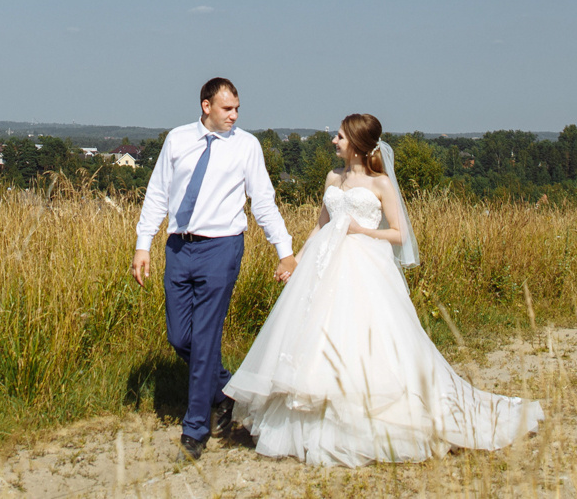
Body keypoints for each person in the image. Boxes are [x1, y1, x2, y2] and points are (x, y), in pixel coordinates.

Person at [223, 113, 543, 467]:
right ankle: (310, 419)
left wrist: (362, 231)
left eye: (340, 136)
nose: (334, 141)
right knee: (315, 335)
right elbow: (320, 225)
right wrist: (295, 261)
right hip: (322, 265)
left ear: (357, 143)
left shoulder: (381, 184)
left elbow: (399, 233)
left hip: (364, 265)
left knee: (367, 338)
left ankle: (372, 415)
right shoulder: (332, 177)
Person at [133, 77, 298, 461]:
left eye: (237, 108)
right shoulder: (177, 140)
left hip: (222, 248)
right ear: (206, 106)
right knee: (180, 337)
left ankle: (195, 431)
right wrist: (143, 244)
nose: (234, 115)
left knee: (206, 338)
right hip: (179, 247)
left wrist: (285, 251)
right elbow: (157, 193)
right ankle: (225, 391)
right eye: (227, 108)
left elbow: (263, 201)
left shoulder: (247, 146)